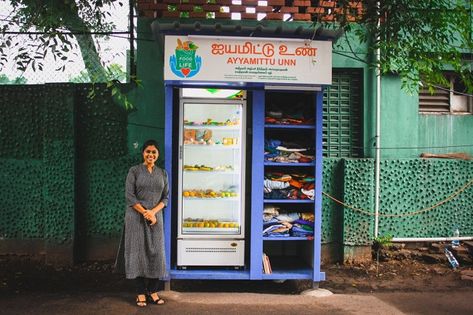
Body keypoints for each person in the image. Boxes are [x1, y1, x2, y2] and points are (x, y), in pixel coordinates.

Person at [115, 139, 169, 307]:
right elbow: (129, 197)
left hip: (155, 218)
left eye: (154, 152)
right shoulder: (134, 171)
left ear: (158, 155)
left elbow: (165, 197)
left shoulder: (162, 173)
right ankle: (140, 293)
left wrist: (153, 212)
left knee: (156, 253)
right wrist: (145, 212)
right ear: (143, 153)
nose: (150, 155)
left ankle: (153, 291)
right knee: (137, 253)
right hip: (135, 217)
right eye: (148, 152)